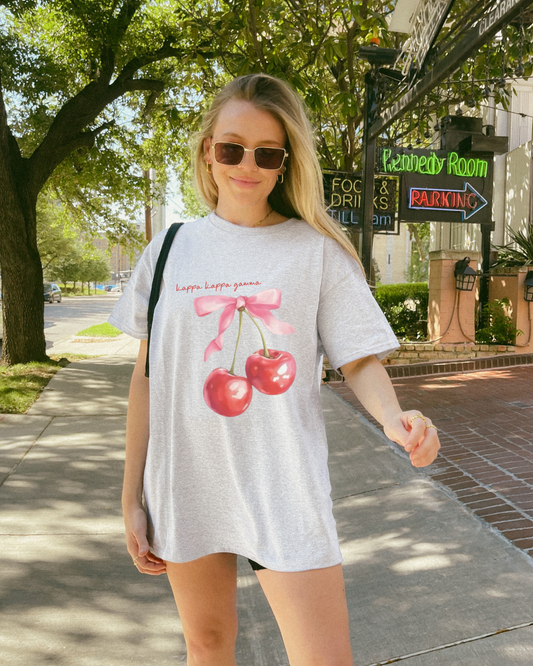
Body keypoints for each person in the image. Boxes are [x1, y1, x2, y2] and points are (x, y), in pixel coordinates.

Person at [108, 73, 440, 666]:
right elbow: (147, 379)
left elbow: (359, 356)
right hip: (185, 484)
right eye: (231, 147)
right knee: (207, 646)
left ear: (286, 163)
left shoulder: (314, 251)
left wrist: (396, 418)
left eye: (267, 153)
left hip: (282, 486)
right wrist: (131, 495)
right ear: (208, 150)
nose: (247, 165)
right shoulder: (168, 250)